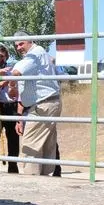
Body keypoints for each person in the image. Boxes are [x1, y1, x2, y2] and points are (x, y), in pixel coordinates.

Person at [7, 30, 62, 176]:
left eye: (21, 44)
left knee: (30, 145)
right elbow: (24, 86)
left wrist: (8, 83)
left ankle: (31, 178)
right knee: (45, 145)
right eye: (16, 46)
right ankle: (44, 177)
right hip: (45, 103)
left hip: (43, 104)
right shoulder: (35, 56)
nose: (18, 48)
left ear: (30, 41)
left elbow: (16, 72)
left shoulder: (35, 53)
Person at [0, 44, 20, 173]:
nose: (0, 59)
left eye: (2, 56)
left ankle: (13, 166)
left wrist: (10, 81)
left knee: (13, 138)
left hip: (11, 105)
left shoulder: (13, 68)